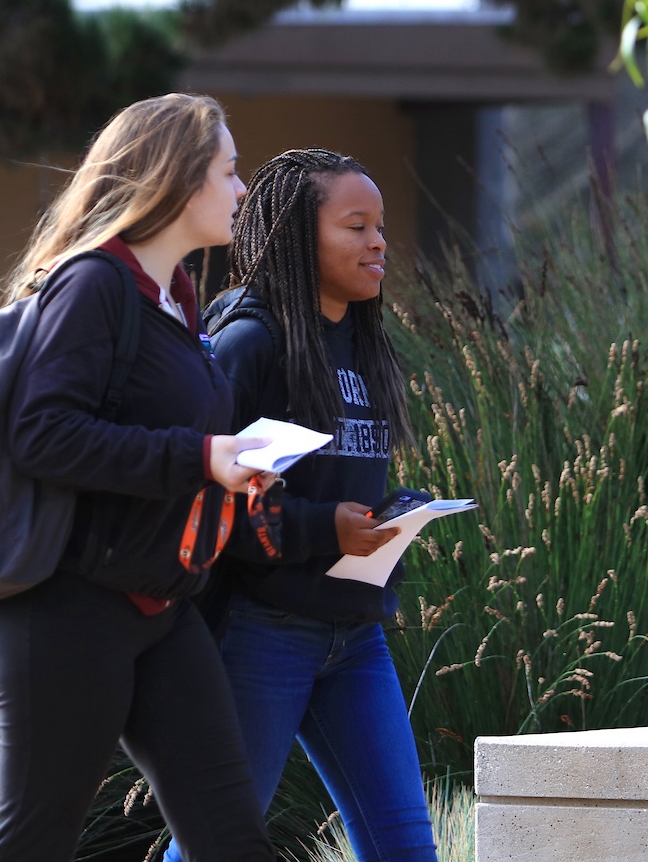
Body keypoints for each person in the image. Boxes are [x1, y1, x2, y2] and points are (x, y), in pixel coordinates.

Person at [0, 93, 277, 862]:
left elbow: (160, 438)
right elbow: (41, 434)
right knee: (31, 844)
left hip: (160, 606)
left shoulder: (178, 297)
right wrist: (199, 456)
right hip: (67, 606)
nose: (242, 191)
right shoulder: (95, 284)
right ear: (175, 181)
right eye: (230, 172)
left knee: (234, 841)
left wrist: (231, 469)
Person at [162, 149, 436, 862]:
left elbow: (338, 484)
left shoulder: (365, 343)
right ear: (295, 236)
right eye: (356, 226)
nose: (378, 242)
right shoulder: (248, 344)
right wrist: (326, 528)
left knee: (406, 848)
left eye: (380, 226)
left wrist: (393, 515)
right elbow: (204, 500)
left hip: (356, 638)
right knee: (214, 844)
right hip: (262, 632)